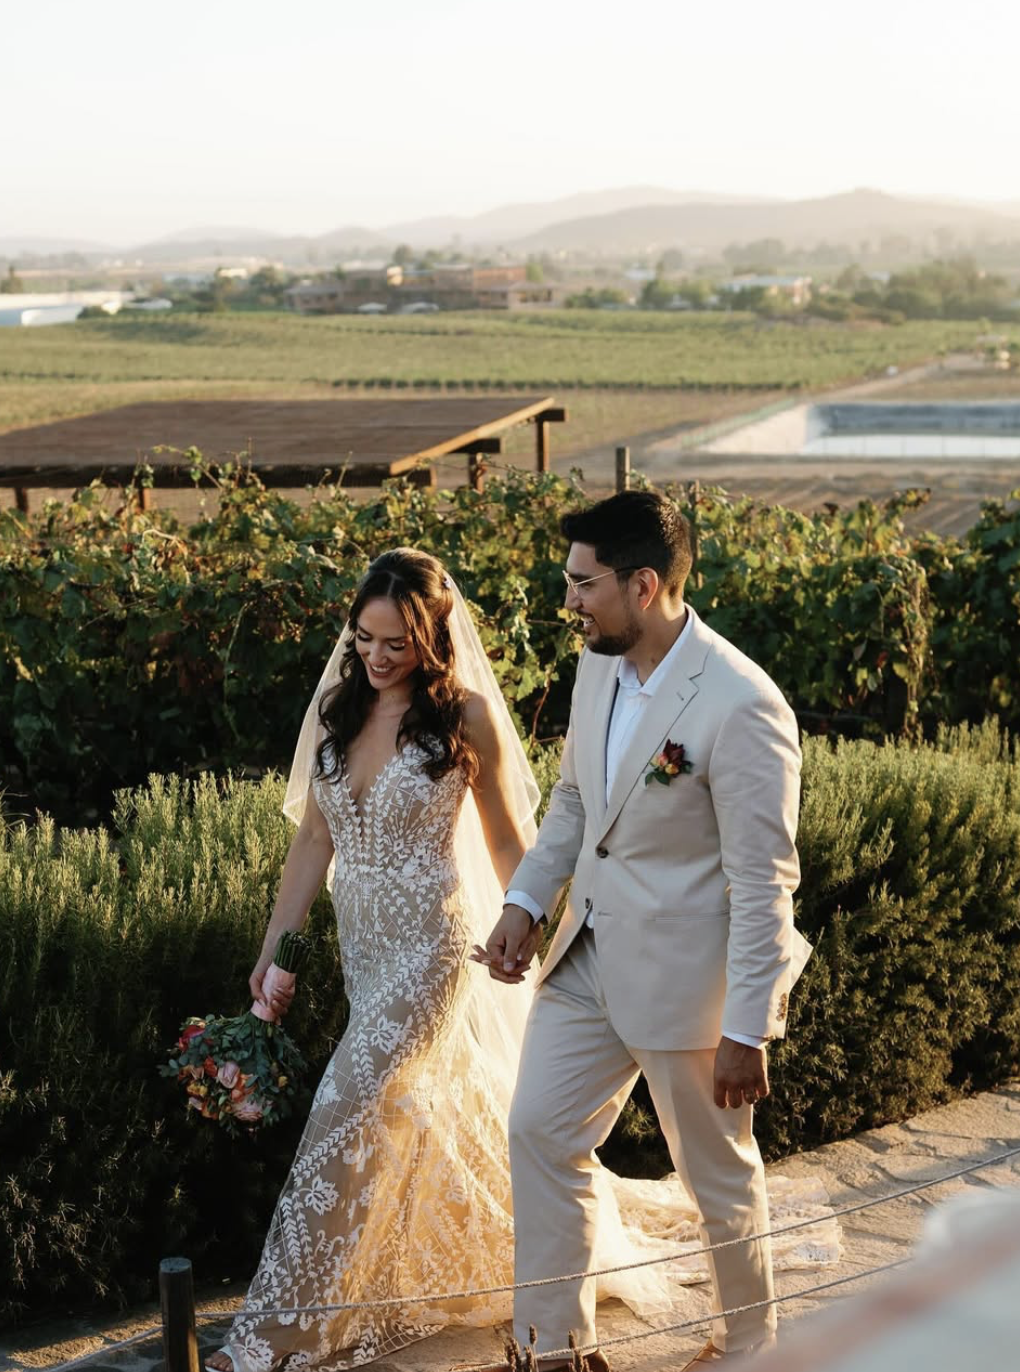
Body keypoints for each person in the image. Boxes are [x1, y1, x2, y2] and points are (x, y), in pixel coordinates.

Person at [483, 490, 814, 1371]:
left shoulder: (743, 704)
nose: (569, 603)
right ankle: (554, 1350)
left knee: (717, 1182)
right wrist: (525, 904)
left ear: (645, 584)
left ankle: (751, 1349)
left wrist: (750, 1026)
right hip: (586, 955)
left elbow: (764, 880)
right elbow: (573, 802)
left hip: (691, 982)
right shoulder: (598, 664)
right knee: (540, 1133)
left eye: (583, 585)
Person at [207, 548, 541, 1372]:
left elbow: (507, 838)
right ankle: (496, 1246)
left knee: (347, 1101)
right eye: (365, 637)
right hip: (365, 947)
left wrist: (527, 926)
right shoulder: (335, 707)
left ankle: (283, 1331)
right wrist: (273, 948)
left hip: (434, 947)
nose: (379, 656)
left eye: (398, 641)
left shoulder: (464, 716)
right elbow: (314, 840)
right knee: (417, 1109)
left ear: (434, 635)